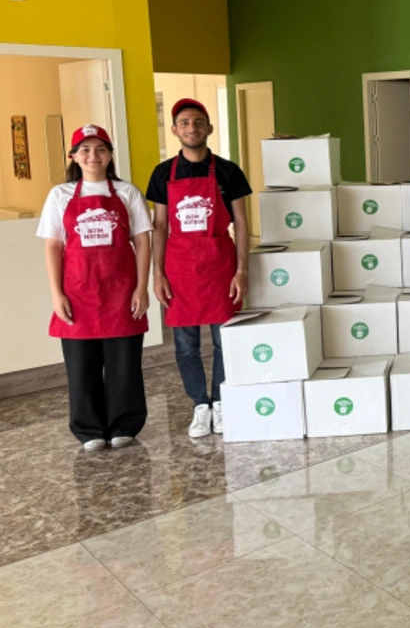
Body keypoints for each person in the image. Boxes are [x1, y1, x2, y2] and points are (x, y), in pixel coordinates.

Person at [38, 125, 151, 451]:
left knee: (124, 363)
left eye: (100, 149)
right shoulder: (60, 195)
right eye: (85, 149)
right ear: (73, 156)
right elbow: (53, 246)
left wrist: (141, 287)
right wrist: (57, 294)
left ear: (110, 155)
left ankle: (124, 424)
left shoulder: (127, 192)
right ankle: (89, 430)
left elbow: (142, 242)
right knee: (81, 366)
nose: (93, 155)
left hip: (121, 290)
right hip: (77, 292)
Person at [147, 98, 251, 438]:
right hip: (179, 267)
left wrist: (242, 270)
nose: (192, 128)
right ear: (175, 130)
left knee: (224, 341)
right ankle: (199, 405)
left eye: (198, 122)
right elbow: (160, 226)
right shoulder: (163, 174)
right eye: (185, 123)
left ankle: (221, 401)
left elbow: (241, 222)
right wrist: (157, 273)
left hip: (220, 264)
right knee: (185, 345)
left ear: (209, 128)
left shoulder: (228, 171)